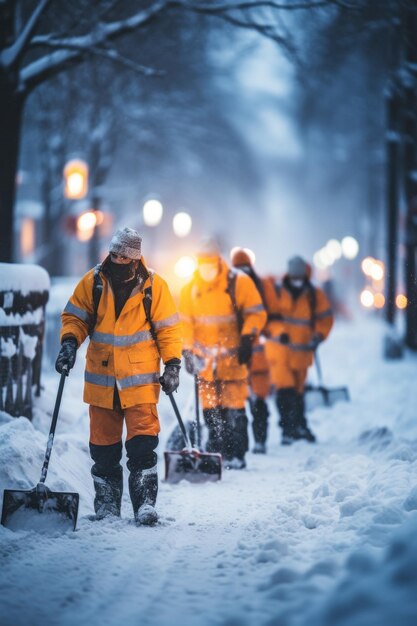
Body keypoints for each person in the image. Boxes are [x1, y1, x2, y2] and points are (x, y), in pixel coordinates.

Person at [55, 227, 182, 525]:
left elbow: (168, 329)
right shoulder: (94, 282)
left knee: (142, 447)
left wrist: (173, 365)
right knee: (103, 450)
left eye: (123, 256)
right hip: (102, 381)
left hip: (139, 382)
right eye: (113, 254)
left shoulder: (153, 287)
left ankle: (145, 505)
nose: (116, 260)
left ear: (135, 259)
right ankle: (108, 506)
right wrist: (69, 343)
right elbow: (75, 316)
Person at [179, 239, 267, 469]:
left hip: (233, 358)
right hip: (204, 363)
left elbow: (256, 313)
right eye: (202, 264)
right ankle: (217, 452)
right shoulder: (190, 290)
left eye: (210, 263)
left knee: (234, 409)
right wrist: (187, 350)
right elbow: (185, 324)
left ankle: (236, 454)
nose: (206, 269)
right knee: (211, 411)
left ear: (218, 261)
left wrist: (249, 337)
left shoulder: (239, 283)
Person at [262, 255, 333, 445]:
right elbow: (266, 318)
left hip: (302, 353)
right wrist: (278, 332)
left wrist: (318, 335)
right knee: (285, 390)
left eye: (300, 276)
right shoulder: (276, 291)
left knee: (298, 392)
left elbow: (325, 319)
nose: (297, 280)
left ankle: (299, 425)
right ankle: (288, 429)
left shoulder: (313, 294)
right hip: (279, 351)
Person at [230, 247, 271, 454]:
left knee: (257, 399)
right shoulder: (235, 286)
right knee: (244, 400)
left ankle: (258, 440)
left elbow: (269, 313)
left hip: (255, 351)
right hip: (241, 350)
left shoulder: (258, 287)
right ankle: (249, 442)